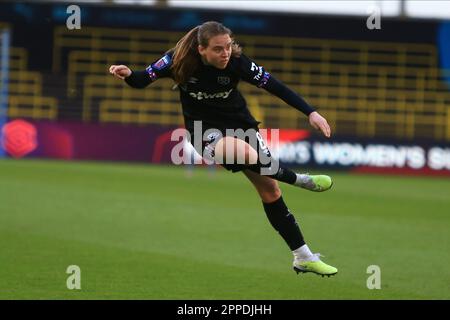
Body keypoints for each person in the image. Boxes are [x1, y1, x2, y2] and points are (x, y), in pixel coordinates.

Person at [109, 21, 337, 277]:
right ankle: (300, 179)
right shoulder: (177, 60)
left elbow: (276, 86)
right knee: (245, 153)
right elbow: (143, 79)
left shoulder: (238, 61)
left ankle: (303, 257)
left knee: (271, 190)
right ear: (201, 49)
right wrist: (129, 75)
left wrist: (311, 112)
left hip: (241, 122)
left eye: (228, 46)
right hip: (205, 131)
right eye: (218, 49)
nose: (226, 53)